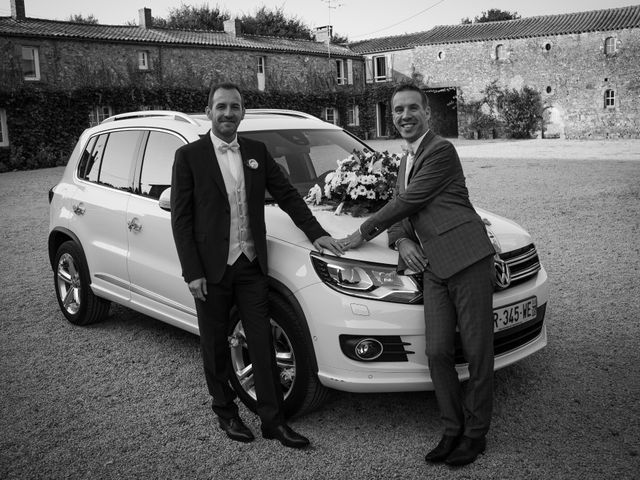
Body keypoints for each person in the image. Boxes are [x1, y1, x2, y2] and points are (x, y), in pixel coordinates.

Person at [170, 82, 344, 449]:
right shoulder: (189, 157)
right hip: (210, 270)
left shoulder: (257, 152)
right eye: (221, 106)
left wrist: (317, 234)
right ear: (209, 112)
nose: (228, 113)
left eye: (235, 106)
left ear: (242, 112)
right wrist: (192, 272)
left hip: (250, 264)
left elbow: (287, 196)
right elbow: (181, 220)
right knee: (216, 344)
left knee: (261, 342)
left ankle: (272, 421)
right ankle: (226, 412)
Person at [339, 83, 496, 466]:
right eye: (397, 111)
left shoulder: (441, 150)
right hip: (432, 267)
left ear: (428, 113)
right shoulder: (406, 160)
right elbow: (401, 210)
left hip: (467, 258)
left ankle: (475, 435)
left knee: (477, 353)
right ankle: (451, 429)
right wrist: (400, 243)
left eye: (412, 109)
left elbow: (409, 200)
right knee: (437, 351)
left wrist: (360, 233)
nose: (404, 116)